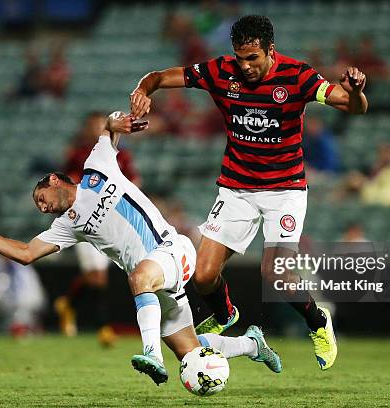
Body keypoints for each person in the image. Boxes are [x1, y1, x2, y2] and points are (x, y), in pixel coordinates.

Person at [0, 111, 281, 385]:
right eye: (38, 206)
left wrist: (117, 122)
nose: (41, 207)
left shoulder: (97, 169)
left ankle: (152, 356)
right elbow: (25, 253)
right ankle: (252, 344)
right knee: (191, 352)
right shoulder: (68, 225)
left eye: (41, 199)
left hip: (170, 249)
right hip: (155, 279)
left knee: (138, 278)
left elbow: (108, 129)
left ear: (54, 180)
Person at [130, 15, 368, 371]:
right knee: (204, 275)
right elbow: (160, 77)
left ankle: (318, 322)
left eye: (253, 58)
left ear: (270, 51)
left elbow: (353, 107)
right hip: (236, 187)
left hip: (284, 190)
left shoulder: (298, 76)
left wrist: (356, 92)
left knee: (275, 275)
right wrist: (143, 90)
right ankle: (226, 314)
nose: (245, 66)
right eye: (240, 57)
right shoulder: (220, 71)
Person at [56, 111, 142, 345]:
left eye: (99, 124)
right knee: (98, 275)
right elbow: (67, 185)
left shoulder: (121, 156)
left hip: (110, 220)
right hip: (85, 219)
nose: (96, 129)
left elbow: (135, 181)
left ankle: (68, 303)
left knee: (93, 275)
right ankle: (103, 327)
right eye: (93, 125)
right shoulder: (78, 155)